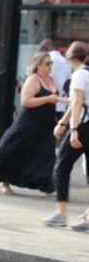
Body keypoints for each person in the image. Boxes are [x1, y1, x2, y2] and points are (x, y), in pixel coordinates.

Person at [0, 52, 68, 194]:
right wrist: (48, 99)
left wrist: (61, 101)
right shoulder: (33, 80)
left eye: (51, 63)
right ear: (38, 65)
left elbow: (53, 98)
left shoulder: (51, 79)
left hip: (46, 123)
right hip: (28, 122)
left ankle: (47, 186)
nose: (50, 66)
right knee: (13, 148)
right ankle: (4, 180)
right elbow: (26, 101)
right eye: (47, 63)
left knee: (46, 154)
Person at [45, 40, 89, 230]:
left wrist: (73, 130)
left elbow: (77, 103)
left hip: (83, 126)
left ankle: (61, 214)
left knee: (61, 167)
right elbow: (75, 103)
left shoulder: (79, 75)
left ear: (70, 57)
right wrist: (62, 123)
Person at [40, 38, 71, 118]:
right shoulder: (66, 61)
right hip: (61, 103)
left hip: (45, 102)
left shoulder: (44, 60)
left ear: (44, 48)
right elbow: (68, 84)